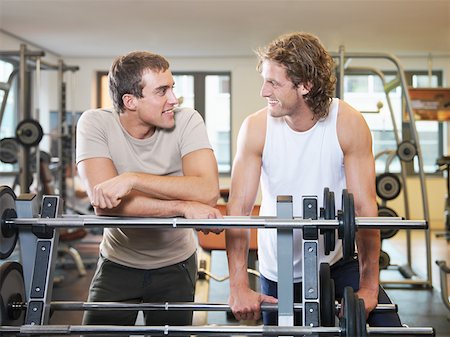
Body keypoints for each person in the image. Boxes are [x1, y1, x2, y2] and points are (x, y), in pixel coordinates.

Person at [225, 32, 402, 327]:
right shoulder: (256, 128)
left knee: (390, 328)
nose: (263, 92)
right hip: (277, 270)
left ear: (305, 85)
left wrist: (369, 288)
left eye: (274, 83)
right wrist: (238, 286)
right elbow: (238, 211)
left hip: (336, 262)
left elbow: (364, 209)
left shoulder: (346, 122)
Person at [76, 51, 222, 328]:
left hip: (177, 265)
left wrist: (132, 179)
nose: (173, 99)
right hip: (118, 262)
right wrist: (182, 205)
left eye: (172, 88)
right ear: (130, 101)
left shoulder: (187, 120)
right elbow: (104, 203)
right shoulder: (95, 123)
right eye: (162, 91)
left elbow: (206, 191)